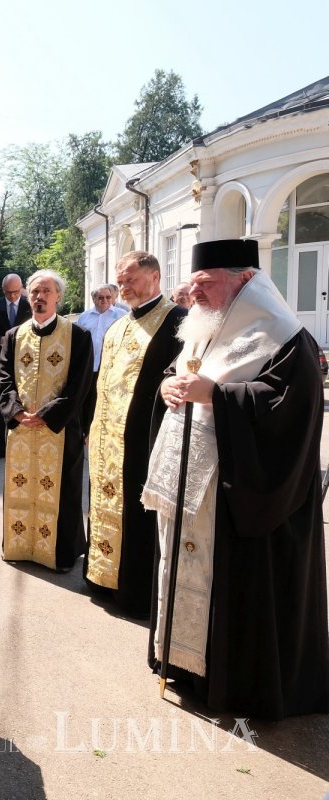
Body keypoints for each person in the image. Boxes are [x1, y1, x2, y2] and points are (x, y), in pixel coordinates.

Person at [142, 238, 328, 719]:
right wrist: (168, 384)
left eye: (205, 283)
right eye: (194, 282)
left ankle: (231, 683)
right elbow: (184, 370)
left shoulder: (285, 336)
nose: (194, 292)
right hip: (191, 484)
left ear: (243, 280)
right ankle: (182, 664)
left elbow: (289, 409)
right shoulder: (208, 322)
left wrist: (217, 397)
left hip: (238, 492)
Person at [83, 252, 185, 618]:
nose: (123, 287)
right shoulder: (117, 325)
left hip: (144, 441)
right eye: (120, 281)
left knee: (137, 515)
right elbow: (100, 382)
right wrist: (89, 426)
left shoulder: (178, 321)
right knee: (101, 506)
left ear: (154, 276)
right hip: (105, 438)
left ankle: (134, 591)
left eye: (130, 280)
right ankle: (101, 578)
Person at [0, 270, 93, 572]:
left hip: (60, 430)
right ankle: (20, 545)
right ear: (28, 296)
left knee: (62, 490)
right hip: (22, 429)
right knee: (21, 486)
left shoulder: (77, 335)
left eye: (46, 291)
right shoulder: (14, 335)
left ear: (58, 296)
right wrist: (17, 413)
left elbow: (80, 385)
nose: (40, 297)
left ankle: (61, 554)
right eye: (35, 292)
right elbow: (3, 378)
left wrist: (48, 415)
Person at [0, 273, 30, 459]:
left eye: (16, 292)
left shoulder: (29, 305)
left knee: (23, 403)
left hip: (26, 363)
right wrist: (0, 339)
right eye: (9, 293)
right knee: (1, 403)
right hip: (0, 362)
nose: (12, 296)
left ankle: (20, 446)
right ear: (3, 290)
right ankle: (0, 446)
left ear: (21, 288)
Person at [75, 284, 128, 373]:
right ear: (94, 299)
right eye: (101, 297)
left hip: (113, 367)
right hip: (88, 366)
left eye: (108, 297)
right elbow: (78, 341)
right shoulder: (84, 317)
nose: (105, 300)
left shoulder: (122, 315)